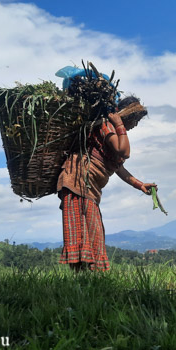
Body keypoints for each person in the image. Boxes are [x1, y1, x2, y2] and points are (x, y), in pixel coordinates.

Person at [56, 96, 156, 271]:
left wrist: (139, 185)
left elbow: (119, 167)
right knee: (80, 231)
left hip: (89, 188)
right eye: (135, 120)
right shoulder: (106, 126)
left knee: (92, 230)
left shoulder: (114, 133)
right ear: (126, 115)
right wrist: (119, 124)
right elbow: (124, 152)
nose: (135, 125)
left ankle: (89, 276)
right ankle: (79, 277)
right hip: (77, 181)